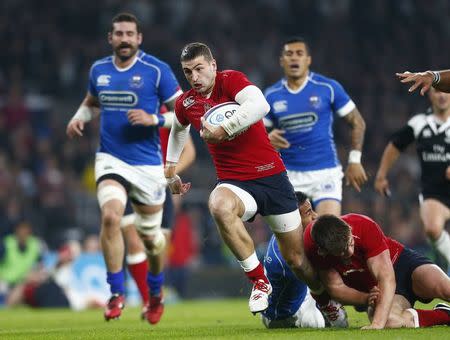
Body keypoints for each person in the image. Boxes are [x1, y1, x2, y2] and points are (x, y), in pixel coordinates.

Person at [164, 42, 324, 315]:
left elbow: (260, 104)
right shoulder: (187, 102)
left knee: (297, 260)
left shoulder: (231, 81)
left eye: (199, 69)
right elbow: (178, 129)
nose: (194, 77)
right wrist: (170, 168)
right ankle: (259, 281)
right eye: (188, 72)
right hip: (235, 183)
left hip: (272, 178)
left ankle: (325, 299)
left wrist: (224, 129)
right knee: (218, 204)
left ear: (213, 66)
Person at [65, 13, 183, 324]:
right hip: (110, 159)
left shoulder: (157, 70)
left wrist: (153, 120)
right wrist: (79, 117)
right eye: (119, 33)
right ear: (111, 38)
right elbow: (92, 102)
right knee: (110, 216)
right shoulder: (99, 69)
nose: (125, 39)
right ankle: (116, 293)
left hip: (147, 166)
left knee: (153, 241)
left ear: (139, 38)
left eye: (130, 33)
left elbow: (185, 113)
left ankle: (155, 292)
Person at [264, 37, 367, 216]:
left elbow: (358, 122)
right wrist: (266, 140)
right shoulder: (271, 95)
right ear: (282, 61)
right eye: (289, 54)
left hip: (325, 172)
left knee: (328, 233)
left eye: (299, 54)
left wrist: (355, 160)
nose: (294, 58)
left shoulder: (327, 88)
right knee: (295, 241)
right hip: (288, 175)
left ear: (308, 60)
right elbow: (255, 135)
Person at [303, 213, 450, 329]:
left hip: (401, 265)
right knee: (390, 322)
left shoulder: (363, 225)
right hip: (377, 290)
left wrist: (376, 325)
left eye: (350, 243)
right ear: (323, 251)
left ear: (348, 228)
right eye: (342, 252)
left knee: (446, 289)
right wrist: (366, 298)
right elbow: (335, 287)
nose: (350, 251)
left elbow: (386, 277)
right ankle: (445, 315)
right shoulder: (313, 248)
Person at [120, 127, 195, 318]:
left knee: (158, 246)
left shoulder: (170, 105)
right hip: (131, 181)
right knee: (135, 244)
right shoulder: (129, 103)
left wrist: (168, 174)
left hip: (159, 186)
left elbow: (189, 150)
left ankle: (155, 293)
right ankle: (148, 301)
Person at [375, 87, 450, 268]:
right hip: (434, 192)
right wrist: (381, 175)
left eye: (446, 91)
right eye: (436, 92)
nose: (441, 95)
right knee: (432, 229)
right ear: (429, 94)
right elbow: (395, 145)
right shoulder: (419, 123)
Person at [262, 191, 348, 328]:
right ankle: (328, 309)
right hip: (284, 315)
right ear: (293, 220)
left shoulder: (288, 235)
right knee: (317, 323)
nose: (316, 216)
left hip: (303, 293)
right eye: (309, 213)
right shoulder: (288, 258)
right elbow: (324, 282)